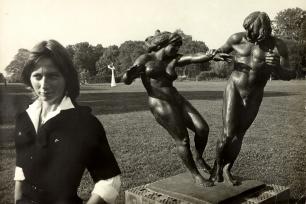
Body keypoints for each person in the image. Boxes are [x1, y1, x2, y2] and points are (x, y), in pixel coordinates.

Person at [14, 40, 121, 204]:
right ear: (29, 78)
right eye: (37, 76)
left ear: (67, 78)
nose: (43, 85)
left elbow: (110, 180)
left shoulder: (85, 124)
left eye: (52, 76)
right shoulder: (24, 119)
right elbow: (20, 169)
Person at [122, 30, 230, 187]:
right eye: (175, 46)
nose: (177, 49)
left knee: (203, 129)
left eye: (179, 46)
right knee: (183, 139)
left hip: (177, 99)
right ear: (163, 45)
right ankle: (197, 176)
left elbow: (192, 57)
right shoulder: (145, 59)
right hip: (159, 102)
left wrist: (209, 55)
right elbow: (126, 79)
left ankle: (198, 158)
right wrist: (129, 75)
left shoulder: (174, 59)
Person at [211, 11, 296, 185]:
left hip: (255, 94)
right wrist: (215, 54)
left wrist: (277, 68)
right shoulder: (237, 38)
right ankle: (217, 169)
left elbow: (290, 74)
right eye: (247, 29)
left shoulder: (277, 46)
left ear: (264, 30)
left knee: (239, 135)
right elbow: (218, 52)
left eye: (252, 31)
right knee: (228, 134)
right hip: (234, 87)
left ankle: (227, 169)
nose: (248, 34)